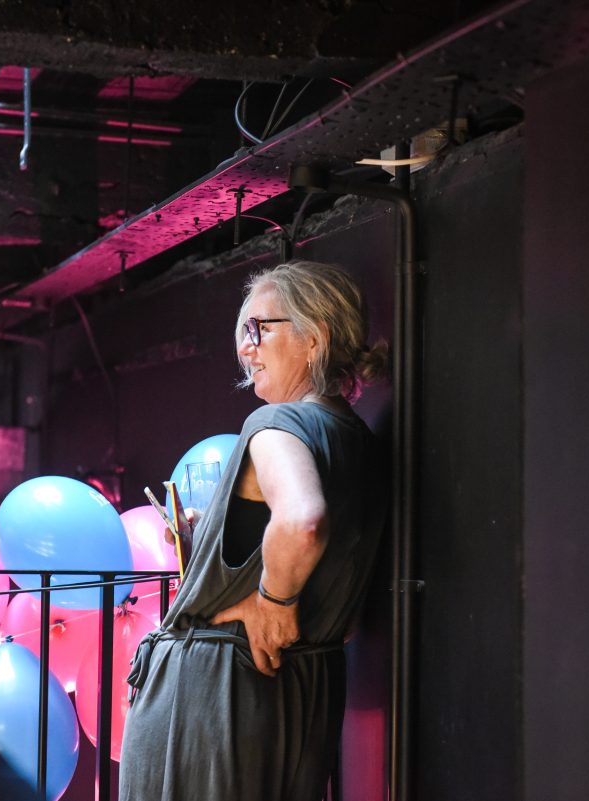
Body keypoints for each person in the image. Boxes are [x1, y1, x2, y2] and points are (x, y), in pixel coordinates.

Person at [119, 260, 389, 801]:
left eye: (258, 329)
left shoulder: (274, 424)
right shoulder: (358, 440)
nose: (245, 348)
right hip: (303, 694)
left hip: (218, 698)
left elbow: (301, 521)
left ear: (315, 338)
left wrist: (274, 604)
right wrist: (219, 563)